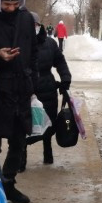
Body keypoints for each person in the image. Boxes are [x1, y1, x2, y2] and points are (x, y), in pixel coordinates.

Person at [0, 0, 38, 203]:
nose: (11, 8)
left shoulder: (25, 18)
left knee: (19, 140)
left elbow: (33, 50)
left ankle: (8, 182)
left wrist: (32, 79)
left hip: (21, 88)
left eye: (15, 4)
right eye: (6, 4)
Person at [30, 11, 71, 166]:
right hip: (27, 89)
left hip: (47, 87)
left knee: (49, 122)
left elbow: (60, 62)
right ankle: (21, 158)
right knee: (24, 125)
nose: (32, 28)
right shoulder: (19, 43)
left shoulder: (50, 43)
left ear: (39, 25)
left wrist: (66, 79)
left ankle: (48, 152)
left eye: (34, 25)